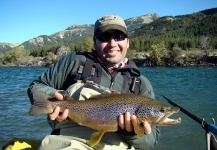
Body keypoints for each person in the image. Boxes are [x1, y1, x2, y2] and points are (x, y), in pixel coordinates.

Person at [27, 15, 160, 150]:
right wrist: (57, 97)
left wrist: (131, 133)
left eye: (119, 36)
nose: (112, 43)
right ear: (94, 41)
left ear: (127, 42)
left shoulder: (140, 83)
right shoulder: (74, 61)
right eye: (104, 37)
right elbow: (37, 86)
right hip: (70, 142)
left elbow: (151, 141)